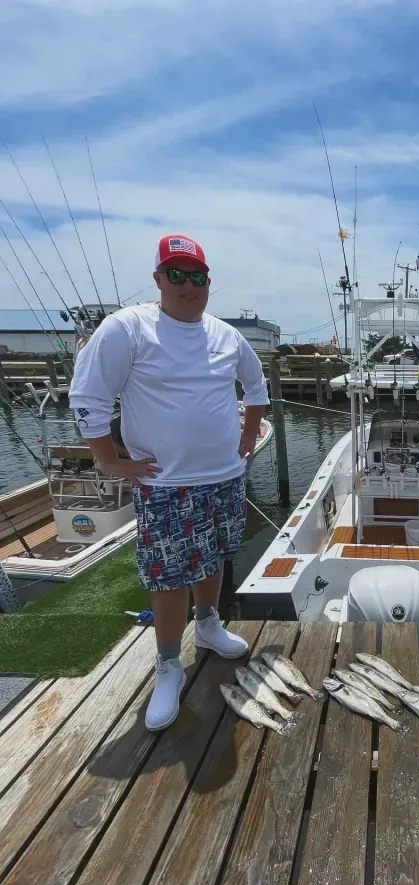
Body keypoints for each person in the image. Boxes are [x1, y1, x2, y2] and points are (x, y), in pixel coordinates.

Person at [69, 234, 269, 730]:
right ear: (158, 279)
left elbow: (257, 384)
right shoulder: (129, 328)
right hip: (164, 485)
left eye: (197, 276)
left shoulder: (226, 334)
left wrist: (247, 434)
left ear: (208, 283)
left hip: (224, 476)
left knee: (215, 556)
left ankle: (208, 626)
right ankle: (166, 665)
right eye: (176, 274)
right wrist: (109, 461)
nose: (188, 285)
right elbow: (89, 395)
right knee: (168, 575)